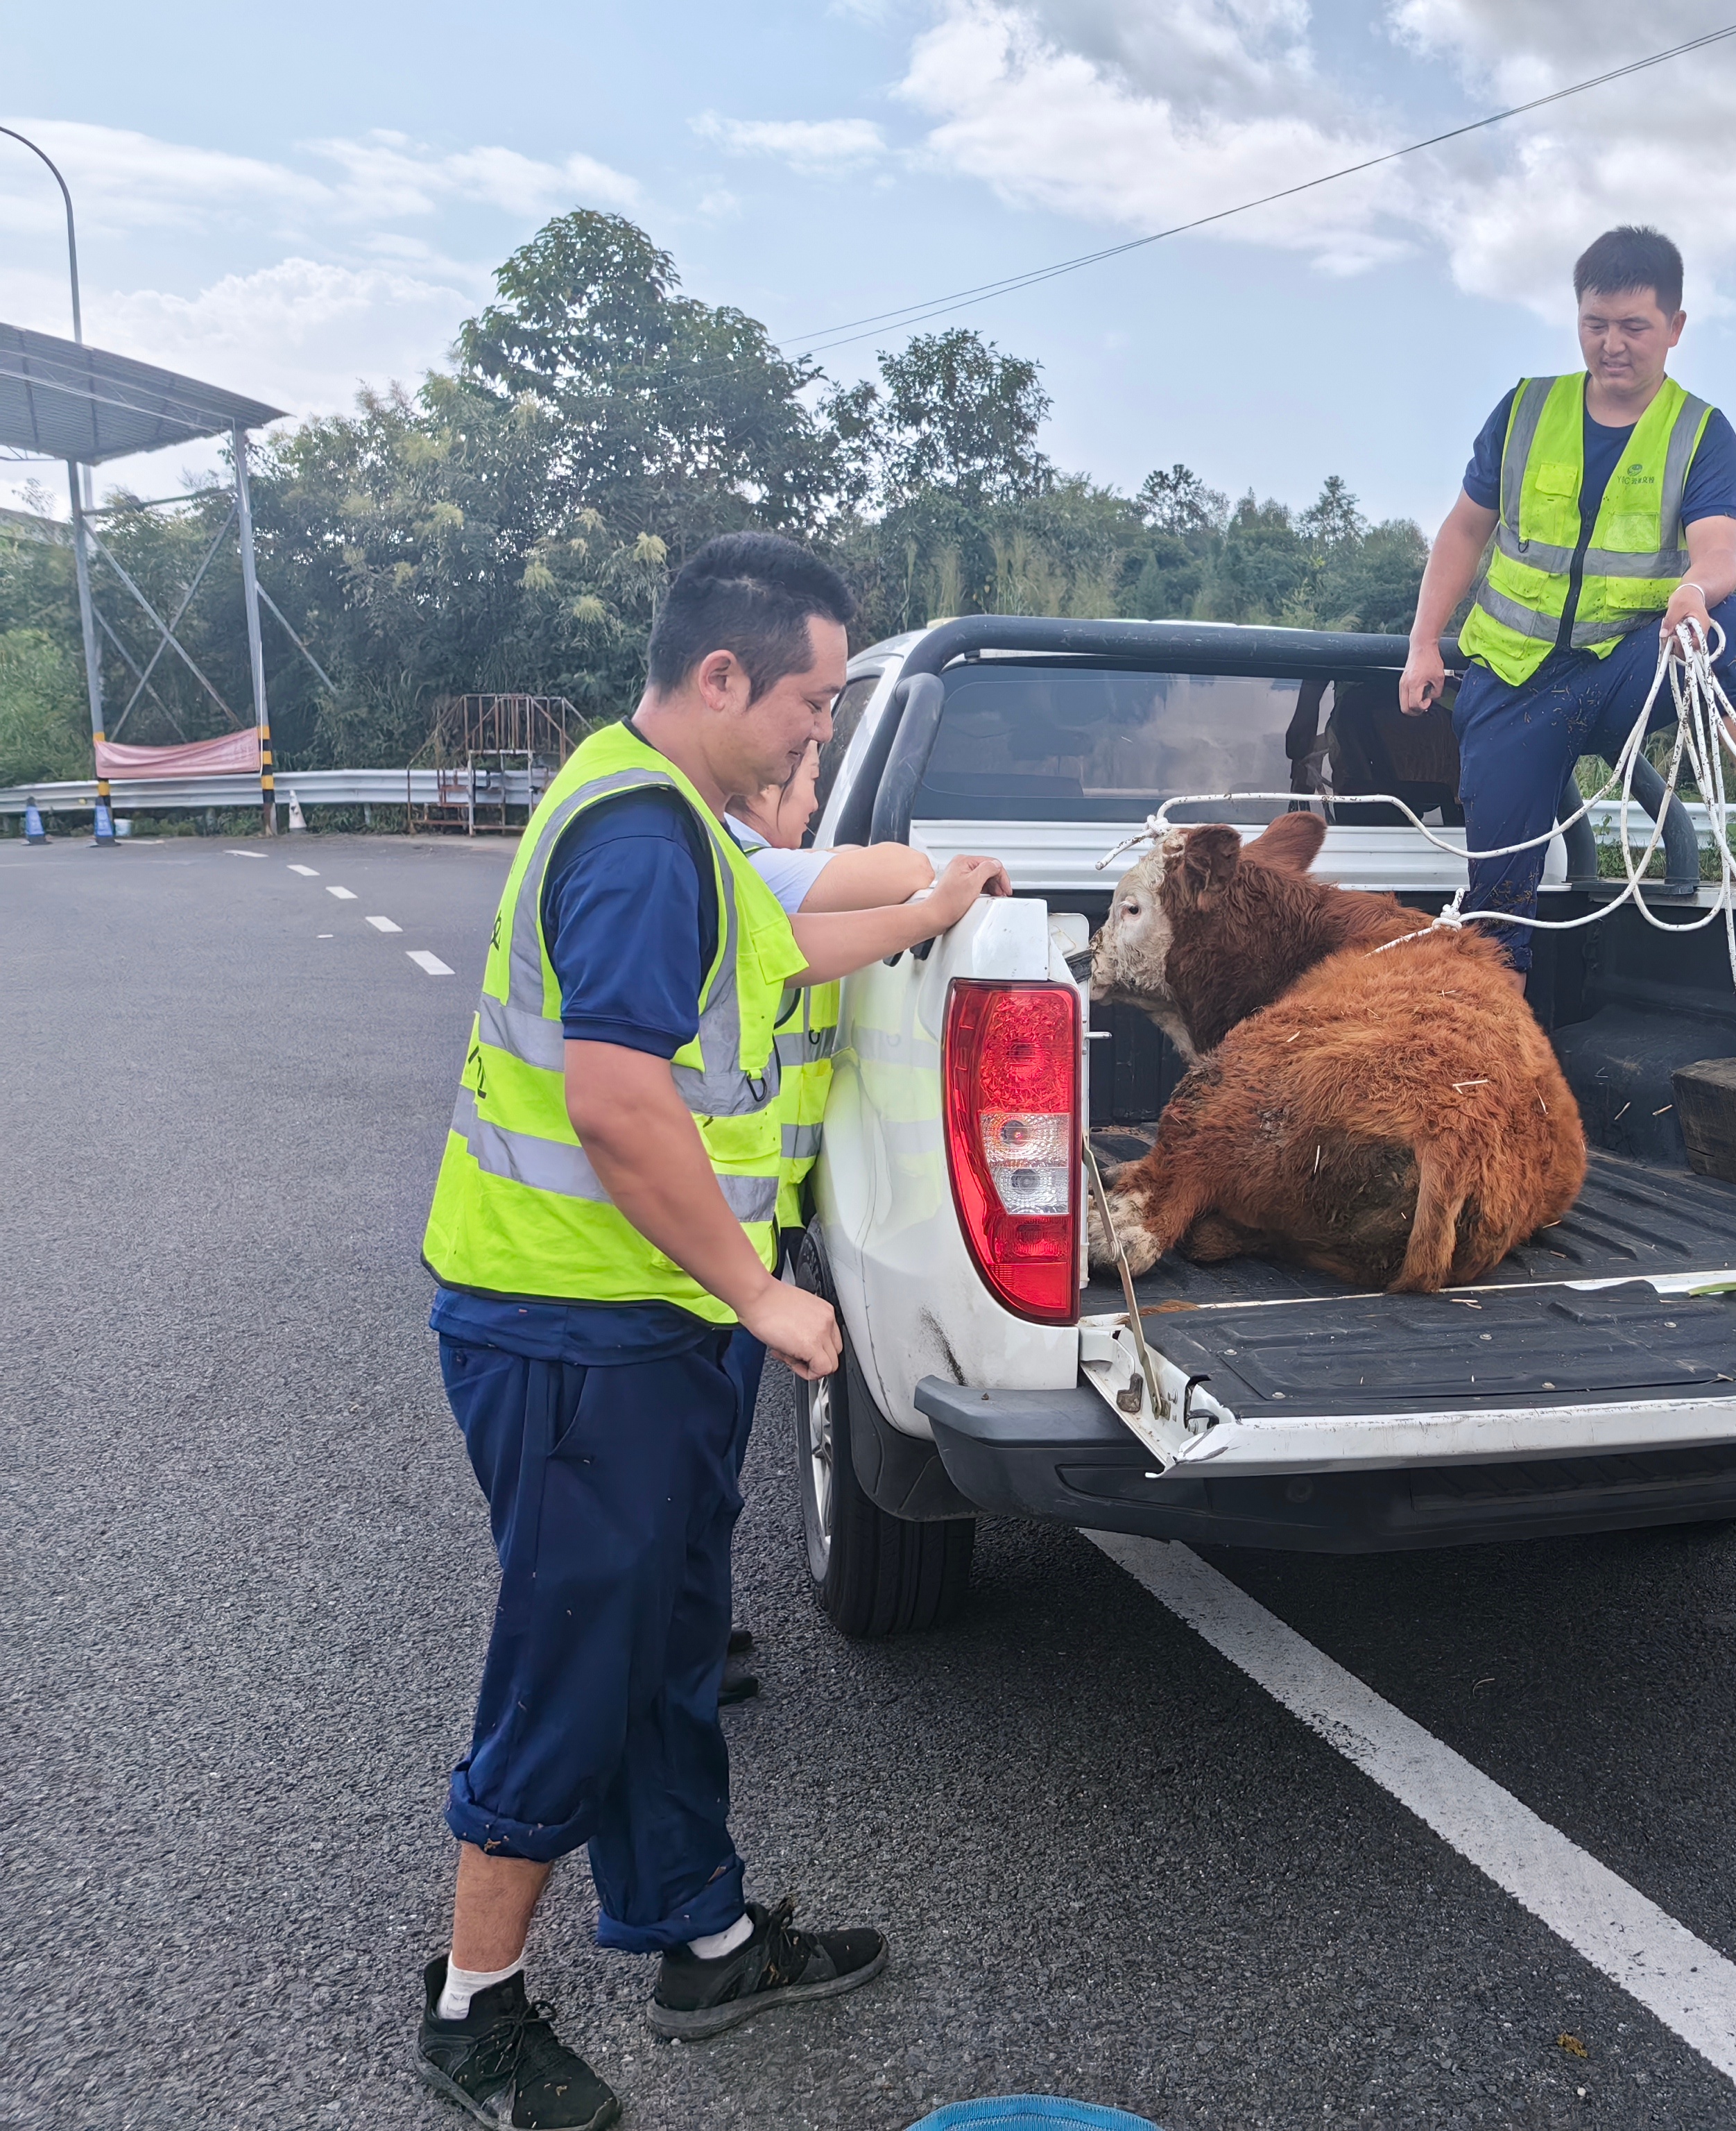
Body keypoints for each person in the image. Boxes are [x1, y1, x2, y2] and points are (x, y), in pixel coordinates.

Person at [412, 533, 978, 2130]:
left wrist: (933, 907)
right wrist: (759, 1286)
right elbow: (614, 1095)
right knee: (577, 1649)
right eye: (809, 700)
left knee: (669, 1637)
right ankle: (474, 2003)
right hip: (576, 1321)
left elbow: (783, 948)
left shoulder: (678, 815)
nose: (821, 730)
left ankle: (702, 1936)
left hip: (630, 1319)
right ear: (720, 676)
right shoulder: (644, 837)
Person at [1399, 224, 1736, 986]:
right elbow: (1463, 531)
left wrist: (1692, 591)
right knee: (1495, 912)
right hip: (1511, 688)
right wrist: (1422, 644)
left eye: (1634, 327)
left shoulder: (1702, 432)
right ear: (1577, 319)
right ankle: (1489, 1078)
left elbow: (1719, 555)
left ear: (1674, 329)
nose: (1613, 345)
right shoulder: (1523, 410)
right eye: (1595, 325)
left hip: (1620, 675)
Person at [713, 745, 1008, 1703]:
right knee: (682, 1452)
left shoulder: (739, 869)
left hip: (729, 1222)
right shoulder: (746, 863)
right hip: (704, 1236)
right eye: (804, 787)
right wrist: (936, 892)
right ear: (760, 787)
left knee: (695, 1450)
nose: (811, 810)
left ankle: (684, 1641)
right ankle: (672, 1652)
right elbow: (889, 871)